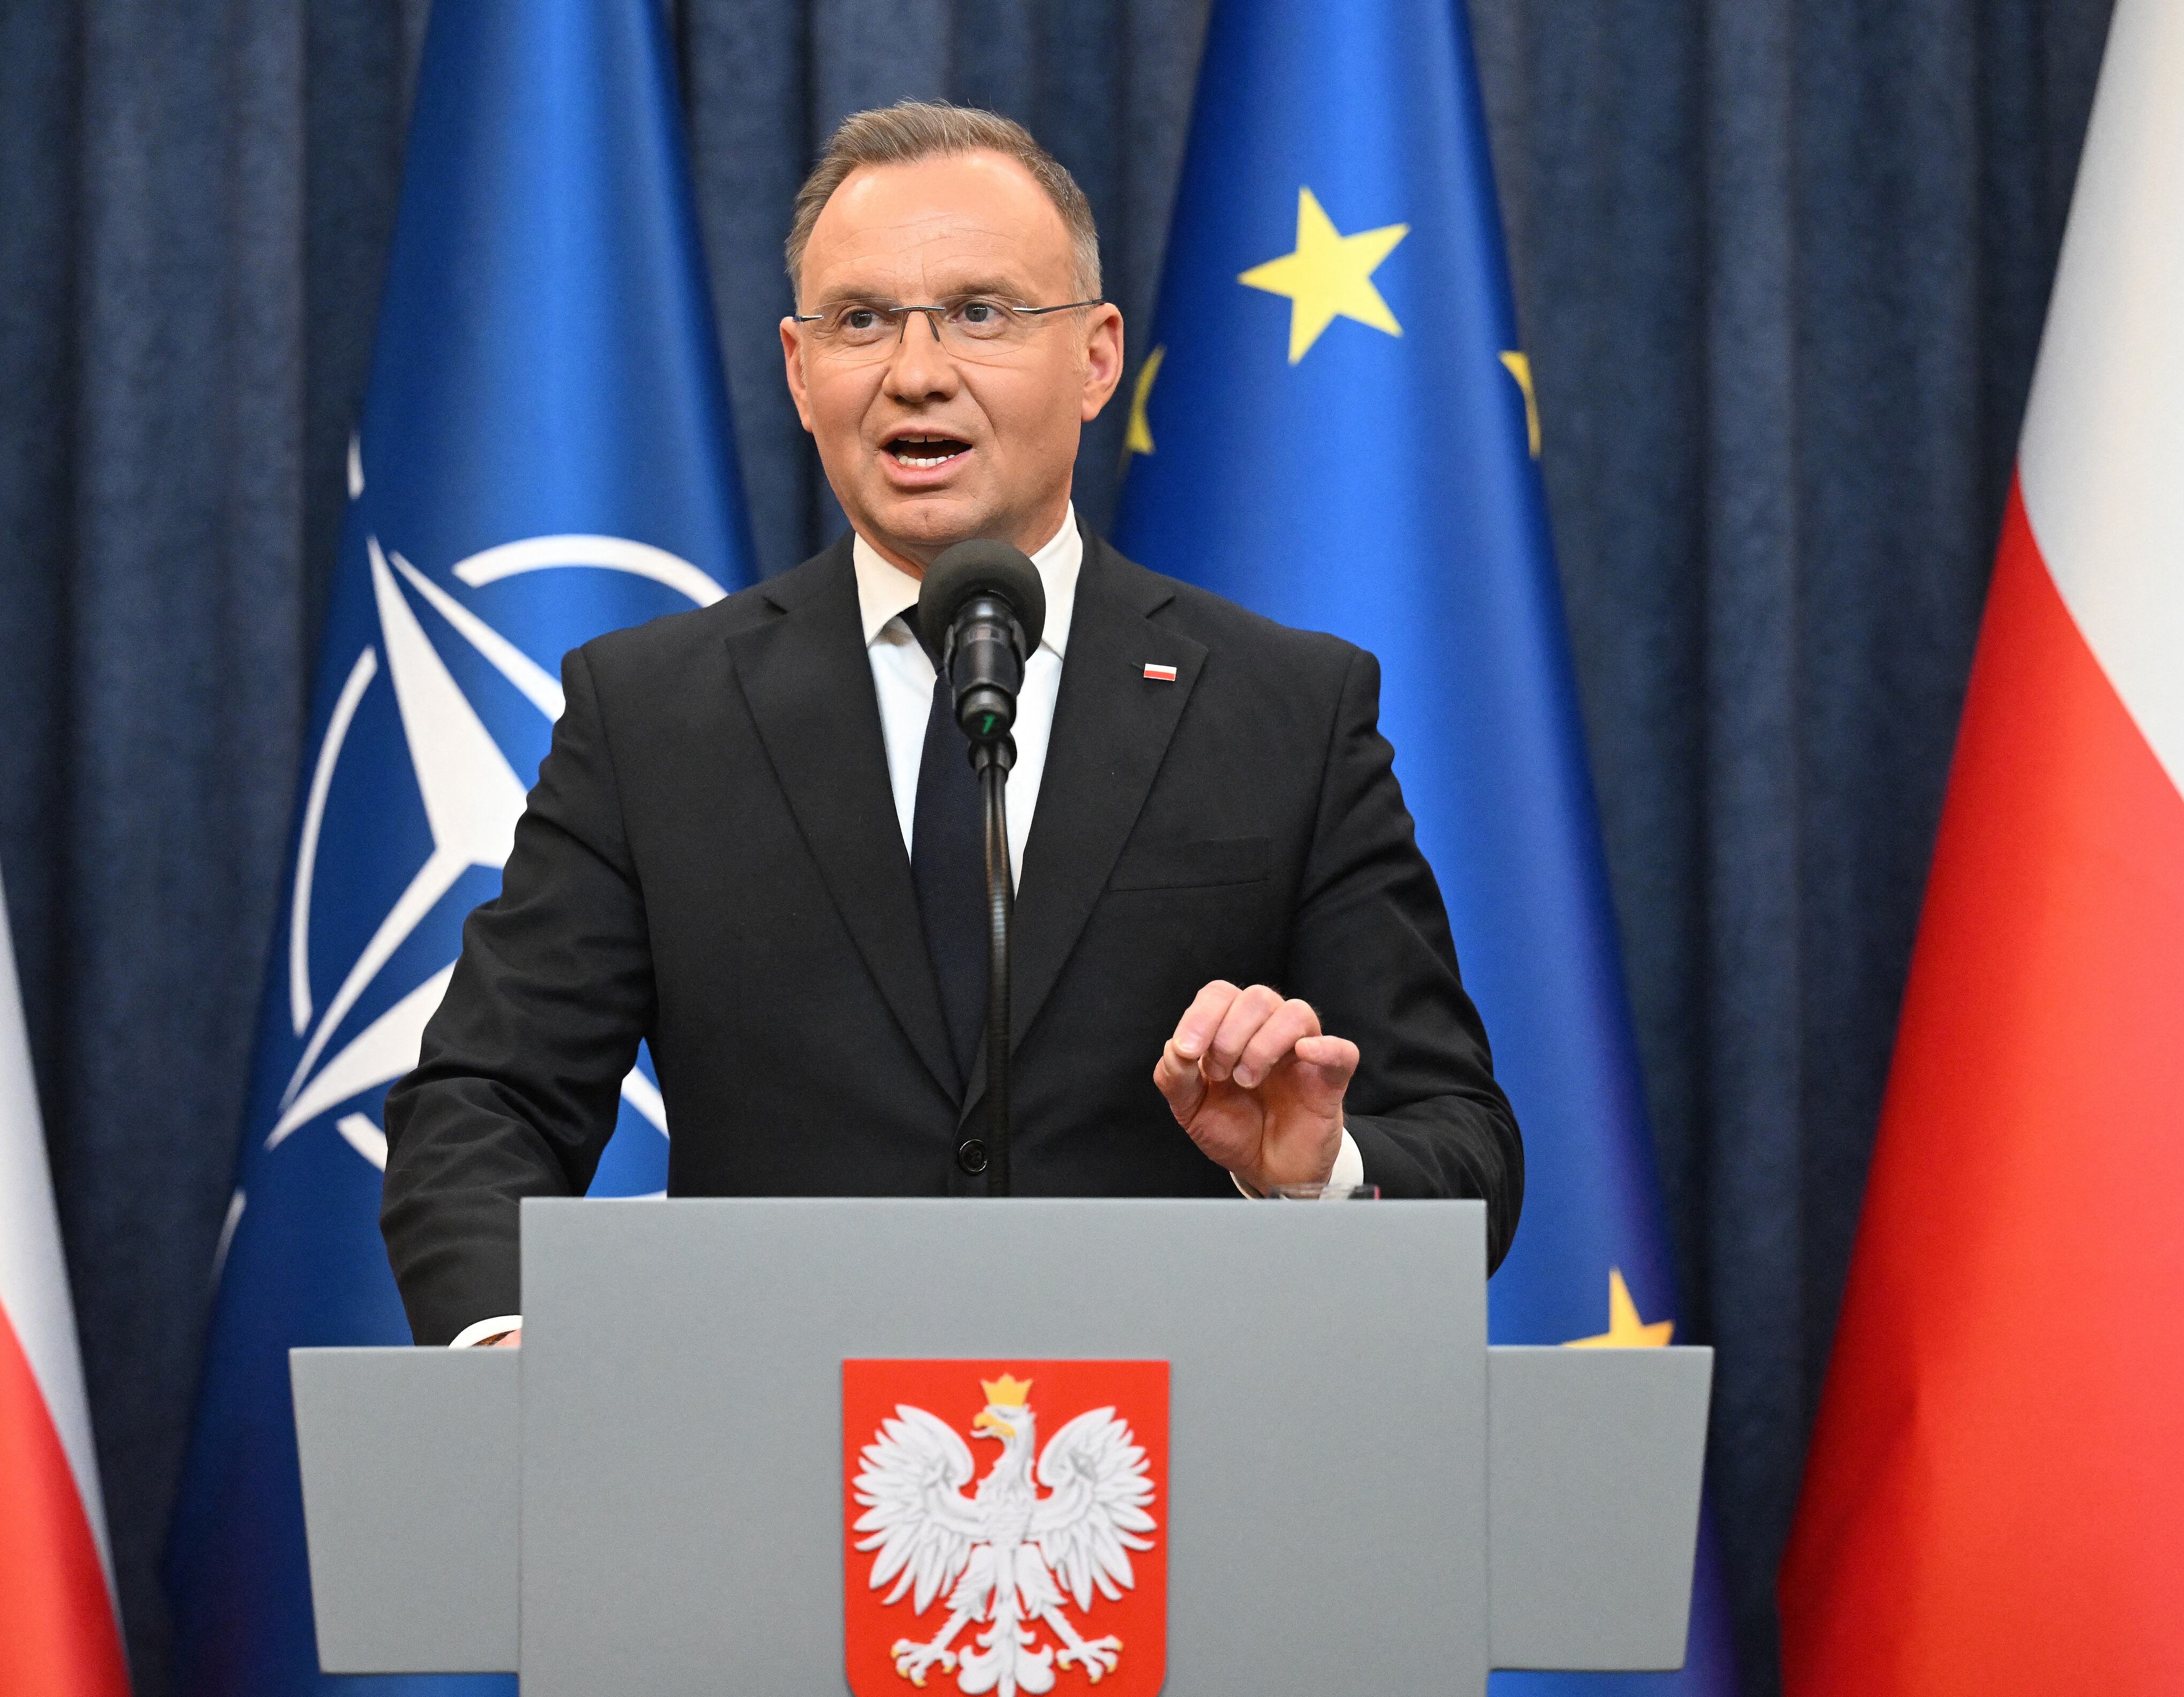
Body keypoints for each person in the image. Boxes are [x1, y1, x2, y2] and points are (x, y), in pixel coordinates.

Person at [380, 102, 1520, 1348]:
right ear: (797, 370)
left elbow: (1460, 1142)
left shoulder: (1285, 709)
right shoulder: (652, 712)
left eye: (980, 312)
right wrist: (508, 1352)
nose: (916, 370)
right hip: (762, 1474)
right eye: (859, 320)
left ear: (1096, 358)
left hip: (1168, 1479)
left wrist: (1314, 1171)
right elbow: (485, 1100)